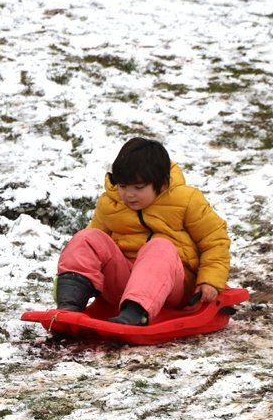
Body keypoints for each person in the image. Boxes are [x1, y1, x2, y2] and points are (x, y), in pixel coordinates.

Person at [55, 138, 231, 325]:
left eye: (138, 188)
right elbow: (92, 251)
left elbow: (215, 240)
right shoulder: (110, 204)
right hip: (122, 281)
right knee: (88, 237)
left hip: (170, 284)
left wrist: (210, 280)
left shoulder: (186, 200)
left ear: (162, 184)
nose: (129, 194)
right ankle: (69, 304)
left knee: (160, 247)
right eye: (122, 186)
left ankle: (137, 312)